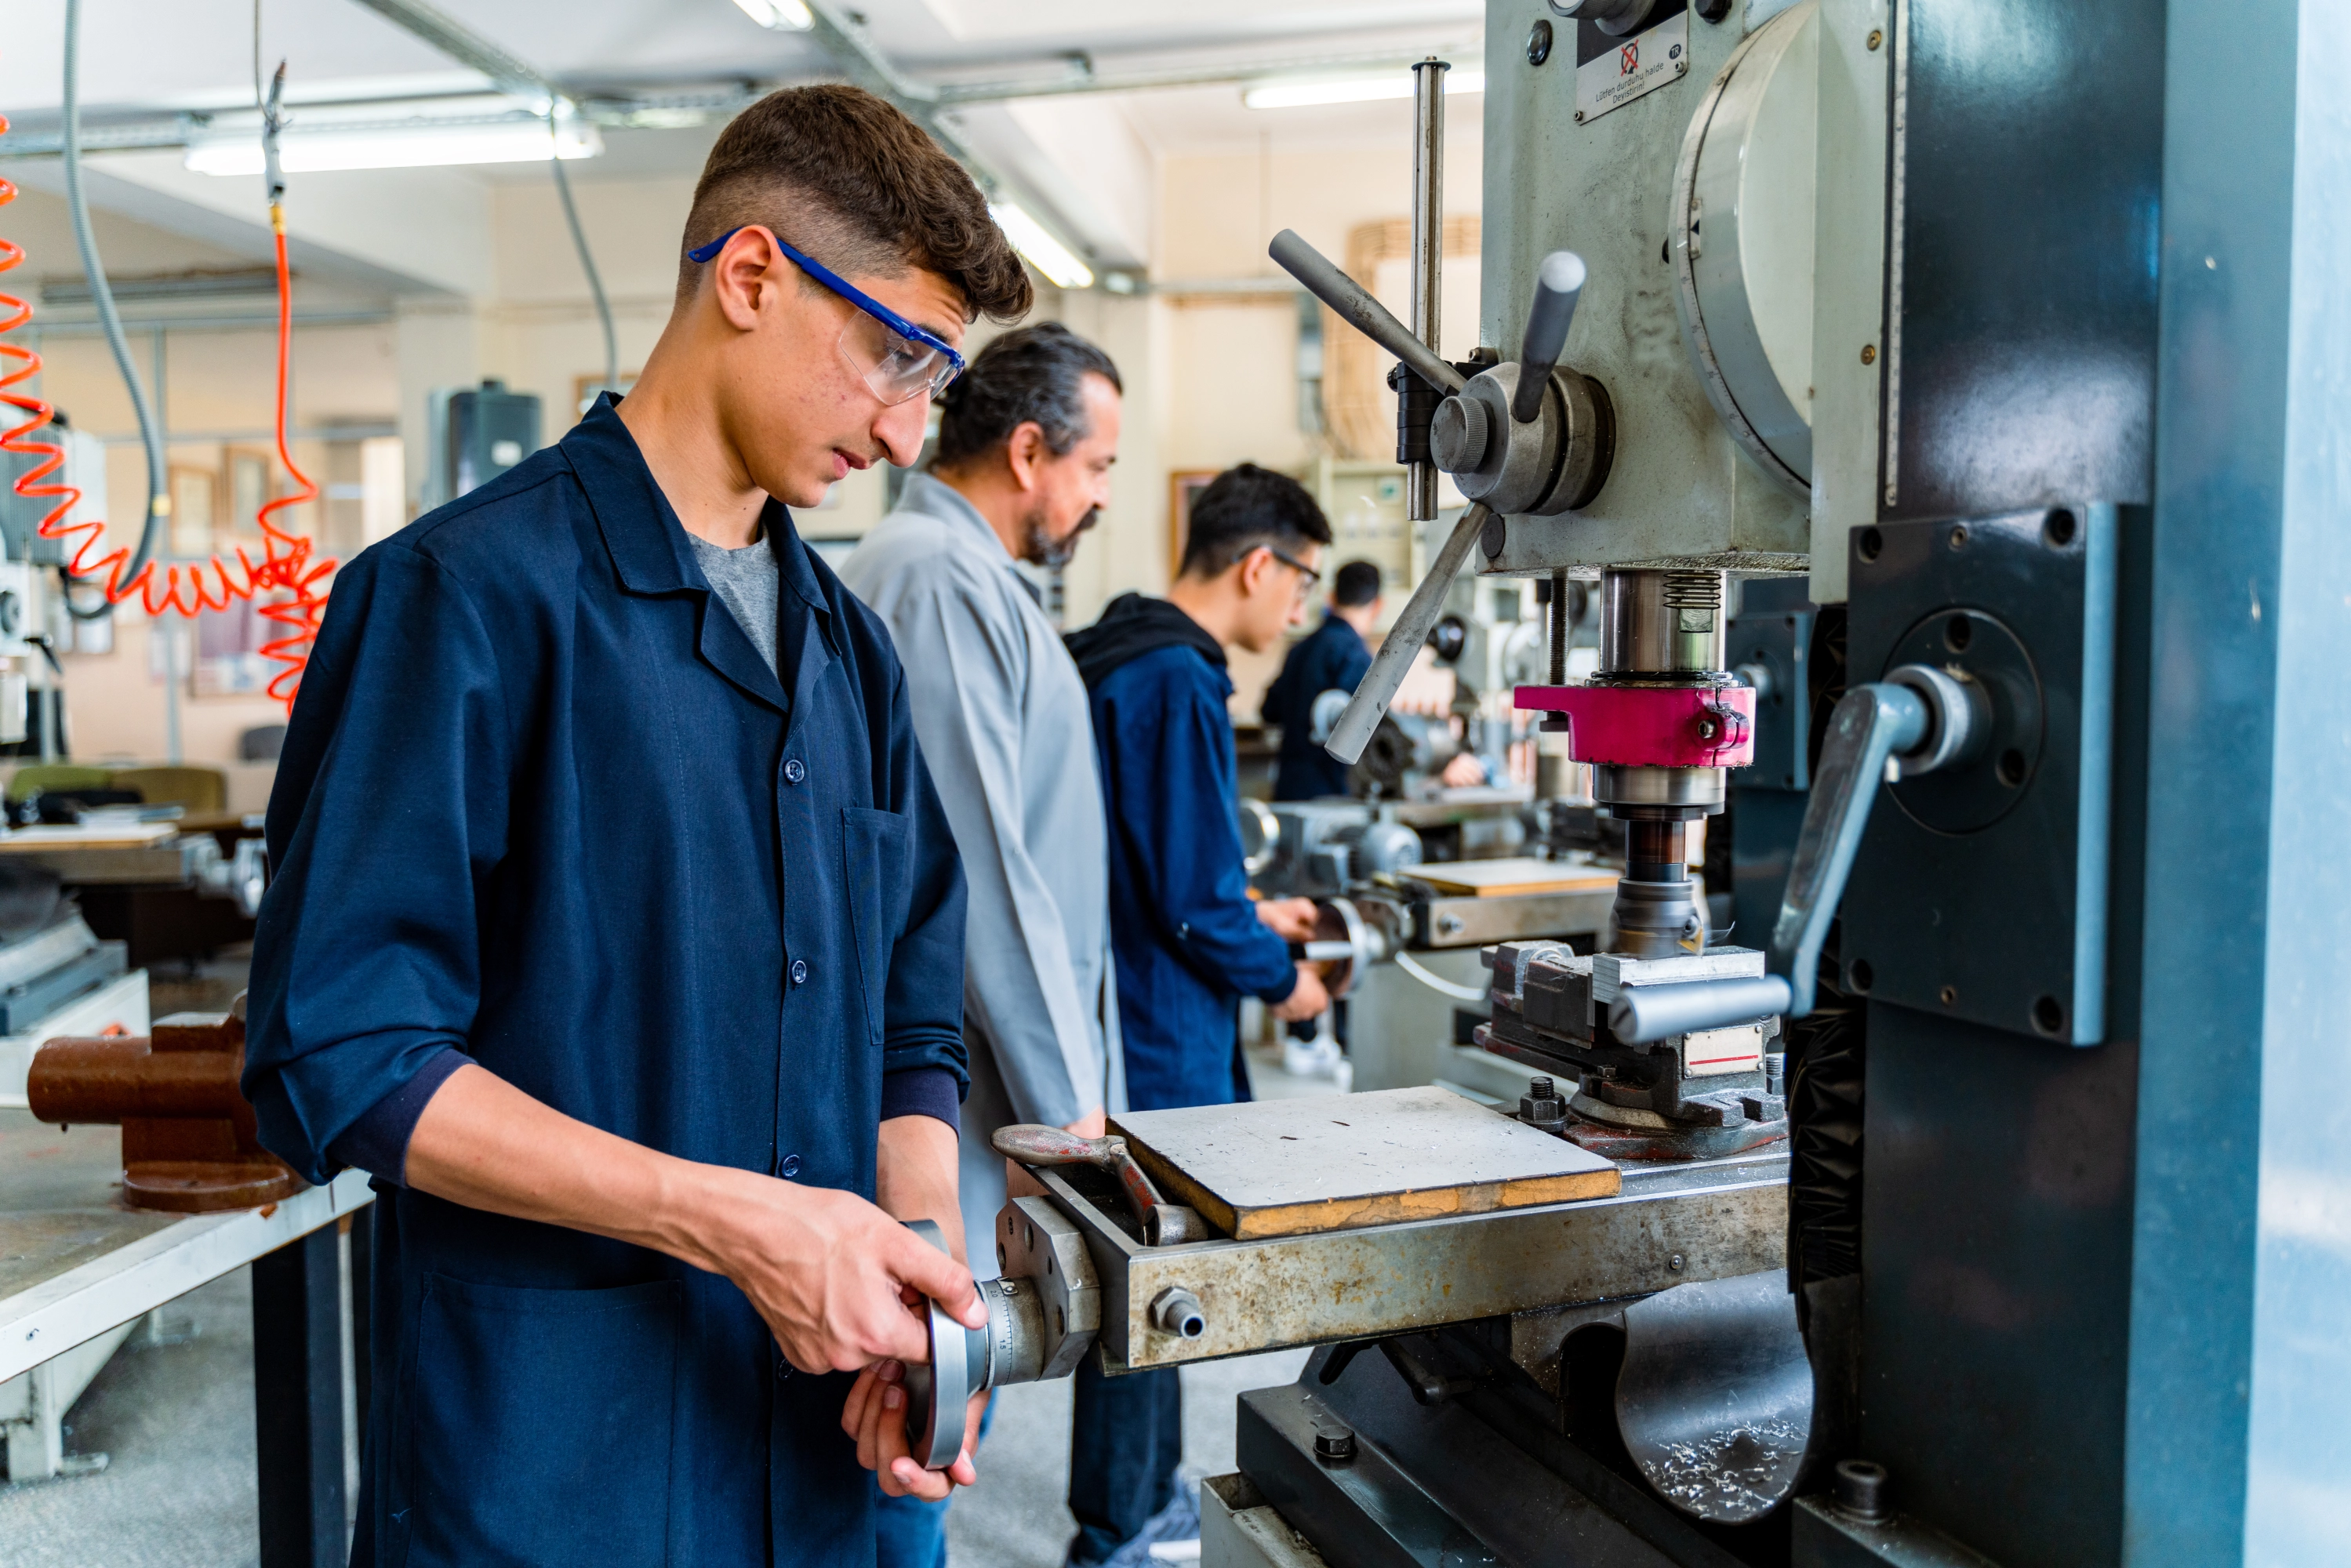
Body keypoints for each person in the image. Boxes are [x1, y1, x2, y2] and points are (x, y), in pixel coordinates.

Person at [240, 85, 1036, 1566]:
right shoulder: (459, 602)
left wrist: (912, 1270)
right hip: (556, 1465)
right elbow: (338, 1053)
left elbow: (911, 1028)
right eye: (894, 357)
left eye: (938, 380)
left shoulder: (850, 656)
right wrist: (736, 1226)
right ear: (749, 278)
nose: (914, 430)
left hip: (825, 1476)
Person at [838, 321, 1125, 1568]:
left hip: (974, 1086)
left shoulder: (964, 576)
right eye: (1096, 465)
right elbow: (975, 880)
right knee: (917, 1409)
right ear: (1026, 451)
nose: (1099, 495)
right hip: (946, 1096)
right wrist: (1065, 1133)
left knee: (936, 1406)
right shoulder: (929, 574)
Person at [1059, 462, 1335, 1568]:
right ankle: (1122, 1528)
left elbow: (1147, 865)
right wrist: (1287, 978)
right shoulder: (1175, 676)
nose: (1299, 609)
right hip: (1158, 1033)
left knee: (1136, 1281)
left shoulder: (1115, 652)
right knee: (1153, 1284)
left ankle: (1139, 1502)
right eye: (1299, 582)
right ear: (1258, 563)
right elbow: (1190, 905)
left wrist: (1249, 905)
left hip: (1115, 999)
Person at [1263, 557, 1383, 800]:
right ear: (1378, 605)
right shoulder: (1354, 655)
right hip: (1331, 792)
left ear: (1332, 597)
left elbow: (1268, 710)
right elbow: (1369, 731)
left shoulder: (1299, 649)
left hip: (1288, 787)